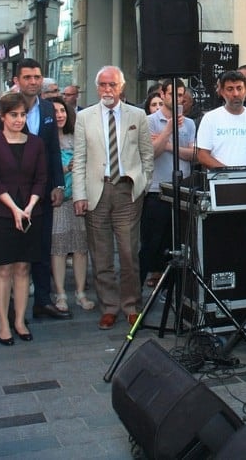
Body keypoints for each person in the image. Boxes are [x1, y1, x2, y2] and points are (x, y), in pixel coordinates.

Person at [72, 65, 154, 331]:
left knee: (129, 253)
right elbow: (80, 158)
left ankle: (131, 305)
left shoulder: (138, 115)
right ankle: (109, 306)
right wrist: (79, 195)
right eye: (103, 85)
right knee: (102, 253)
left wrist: (142, 183)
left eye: (112, 85)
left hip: (127, 190)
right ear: (97, 88)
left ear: (122, 87)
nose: (107, 90)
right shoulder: (84, 117)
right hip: (97, 191)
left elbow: (146, 154)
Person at [0, 59, 69, 320]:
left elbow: (54, 151)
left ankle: (42, 301)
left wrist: (58, 184)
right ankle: (9, 305)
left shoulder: (48, 108)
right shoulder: (1, 108)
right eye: (27, 77)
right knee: (10, 255)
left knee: (41, 247)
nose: (33, 81)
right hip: (7, 194)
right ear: (17, 80)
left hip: (40, 191)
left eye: (37, 77)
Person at [0, 92, 47, 346]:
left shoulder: (36, 143)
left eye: (23, 115)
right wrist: (14, 209)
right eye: (14, 115)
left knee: (23, 267)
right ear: (3, 116)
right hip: (0, 213)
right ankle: (3, 322)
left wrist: (29, 207)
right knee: (4, 268)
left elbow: (41, 178)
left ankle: (20, 320)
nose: (19, 120)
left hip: (32, 212)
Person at [142, 78, 196, 287]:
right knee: (154, 241)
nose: (177, 98)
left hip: (182, 189)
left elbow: (193, 155)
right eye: (173, 93)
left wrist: (167, 144)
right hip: (157, 189)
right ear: (163, 94)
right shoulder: (149, 121)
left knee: (178, 241)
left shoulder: (190, 123)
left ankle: (173, 286)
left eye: (181, 94)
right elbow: (151, 153)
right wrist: (168, 130)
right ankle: (148, 282)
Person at [48, 96, 94, 312]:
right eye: (55, 111)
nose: (59, 115)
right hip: (56, 200)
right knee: (57, 248)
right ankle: (60, 294)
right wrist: (65, 169)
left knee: (80, 248)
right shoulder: (44, 140)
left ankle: (81, 293)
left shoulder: (77, 136)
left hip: (78, 198)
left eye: (62, 111)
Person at [196, 69, 246, 170]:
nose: (235, 94)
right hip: (219, 180)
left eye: (239, 88)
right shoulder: (210, 118)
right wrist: (228, 173)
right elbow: (202, 155)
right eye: (230, 89)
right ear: (222, 92)